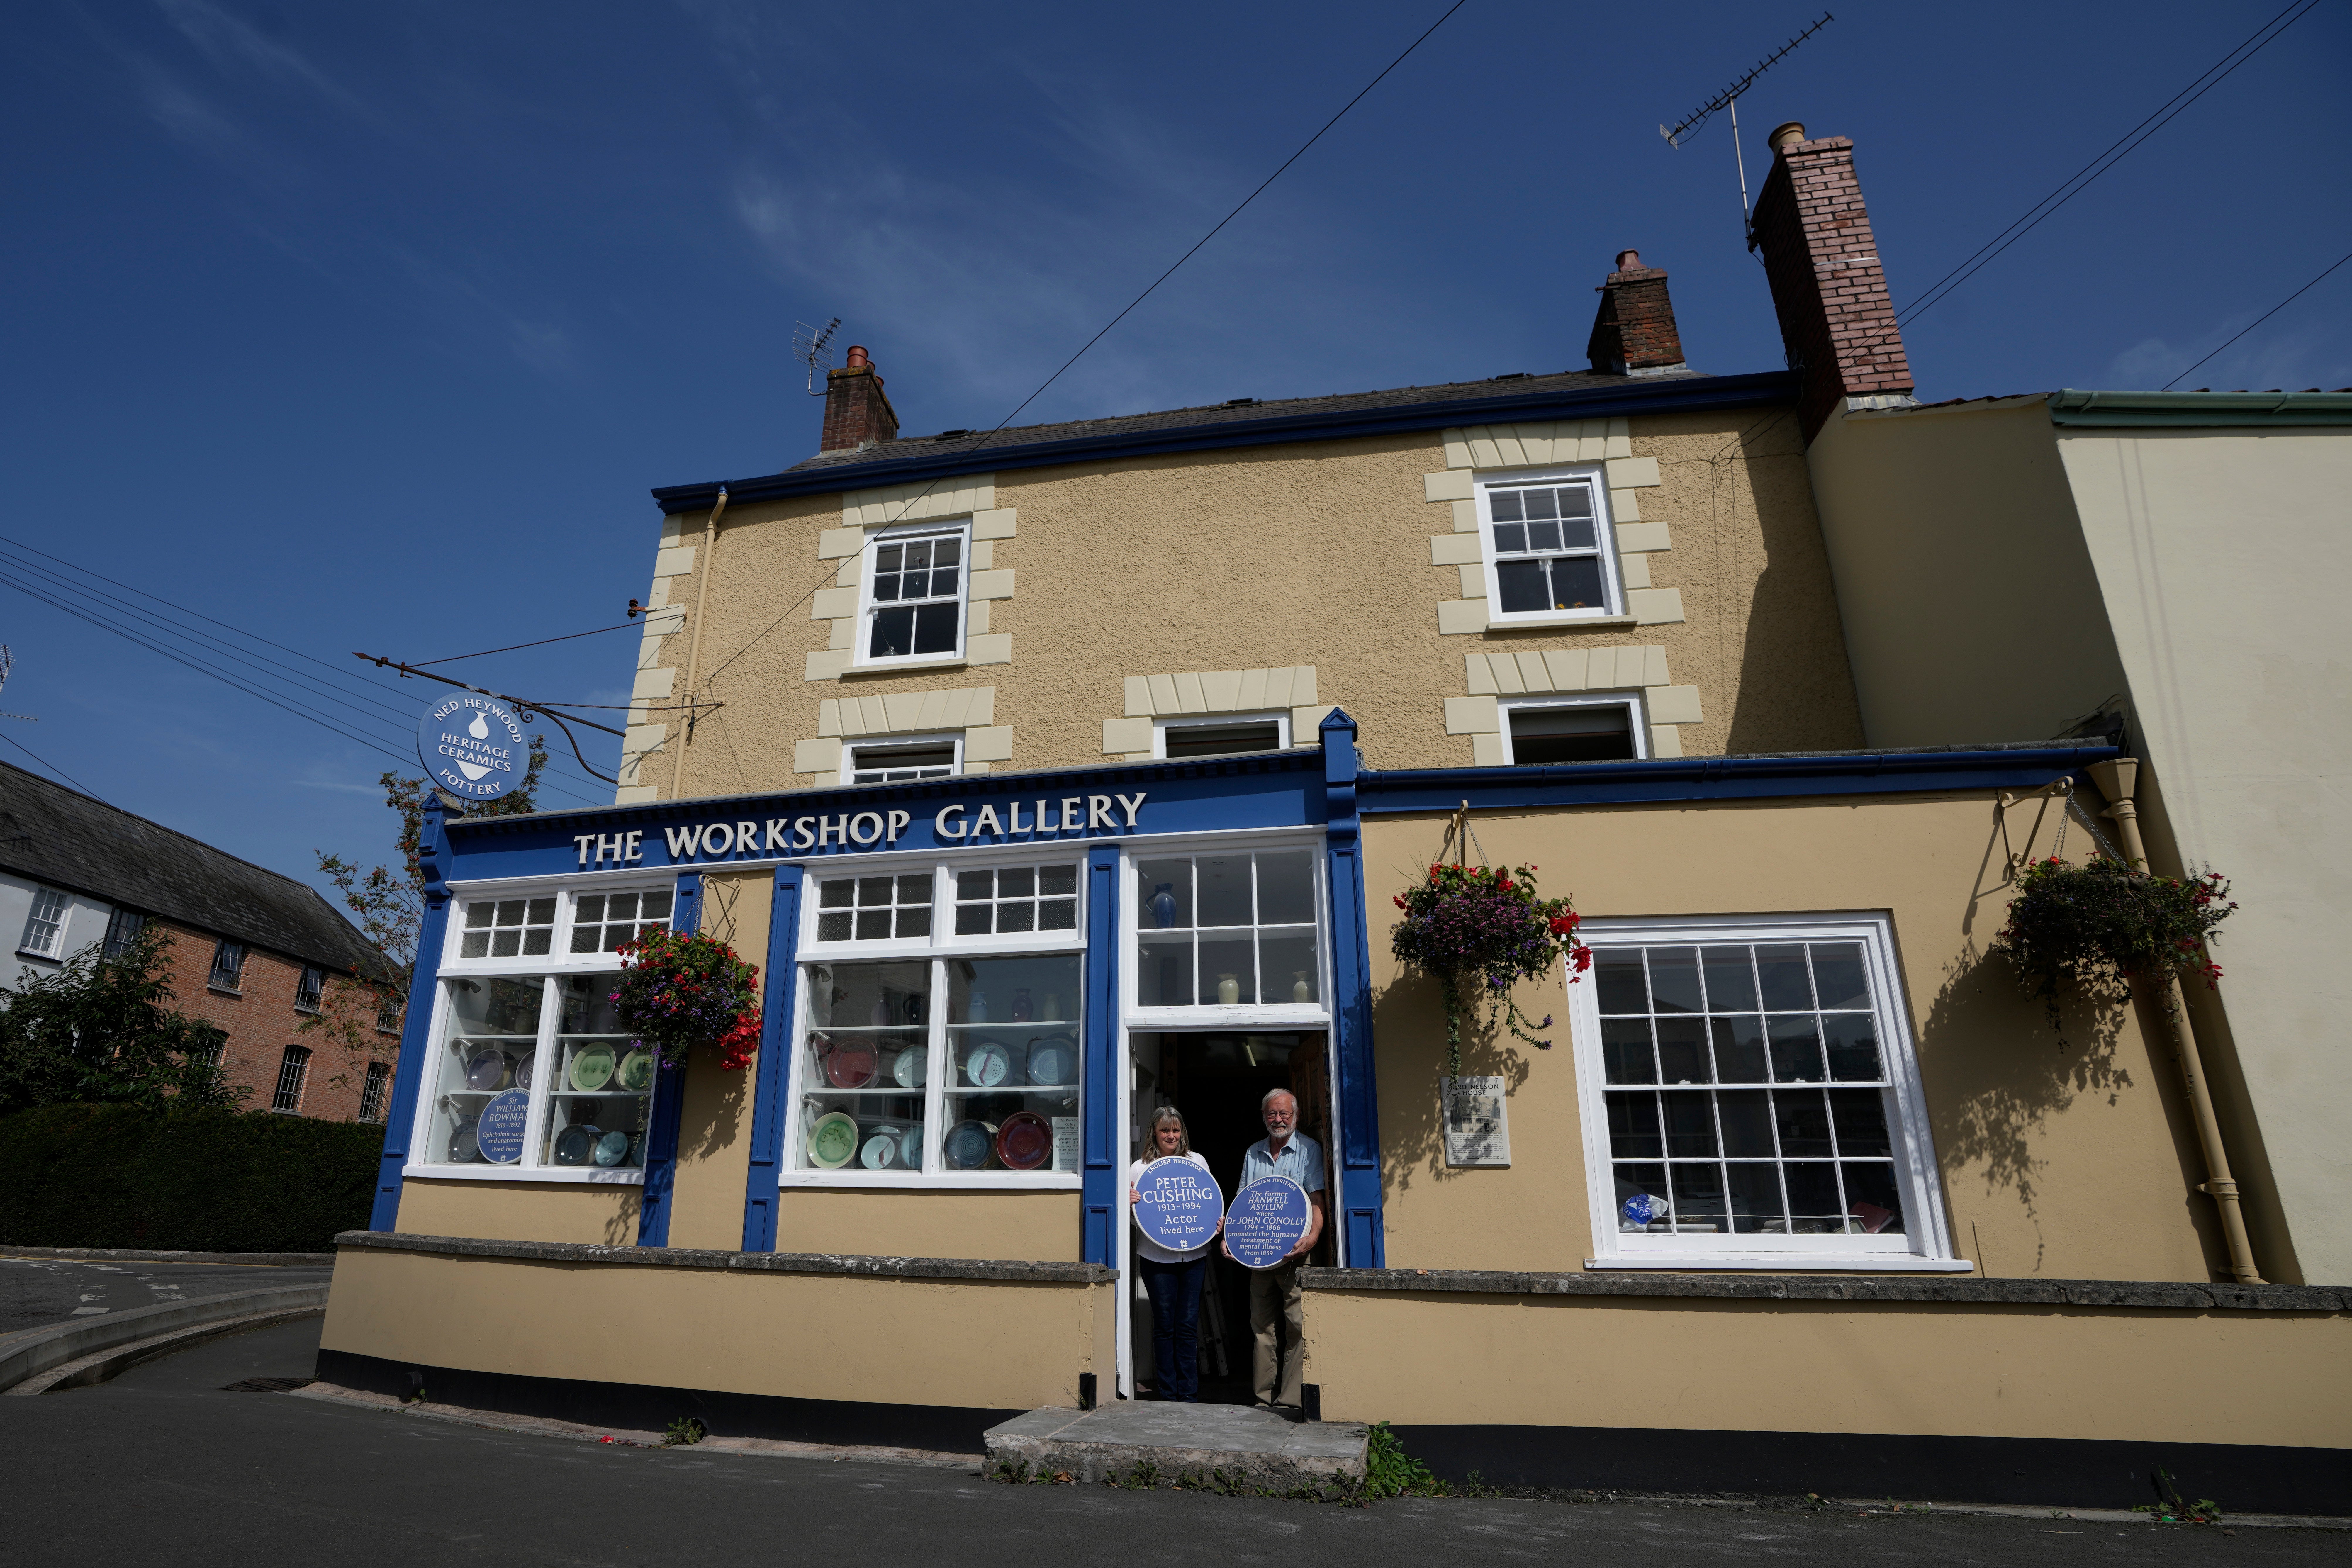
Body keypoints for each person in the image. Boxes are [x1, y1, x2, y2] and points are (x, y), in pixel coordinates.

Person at [1224, 1087, 1325, 1411]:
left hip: (1296, 1255)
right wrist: (1229, 1237)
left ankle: (1290, 1400)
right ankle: (1262, 1397)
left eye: (1284, 1113)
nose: (1278, 1119)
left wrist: (1313, 1237)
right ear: (1264, 1116)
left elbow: (1317, 1200)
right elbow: (1242, 1202)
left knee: (1297, 1325)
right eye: (1272, 1113)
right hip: (1260, 1255)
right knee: (1262, 1327)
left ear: (1296, 1116)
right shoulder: (1253, 1152)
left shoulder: (1309, 1150)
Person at [1127, 1106, 1218, 1402]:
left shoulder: (1197, 1162)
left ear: (1183, 1133)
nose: (1171, 1136)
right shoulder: (1139, 1168)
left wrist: (1216, 1222)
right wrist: (1131, 1206)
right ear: (1154, 1132)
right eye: (1165, 1130)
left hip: (1194, 1258)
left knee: (1188, 1327)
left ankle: (1189, 1394)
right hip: (1157, 1259)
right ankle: (1168, 1394)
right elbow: (1135, 1221)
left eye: (1176, 1130)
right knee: (1165, 1326)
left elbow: (1208, 1203)